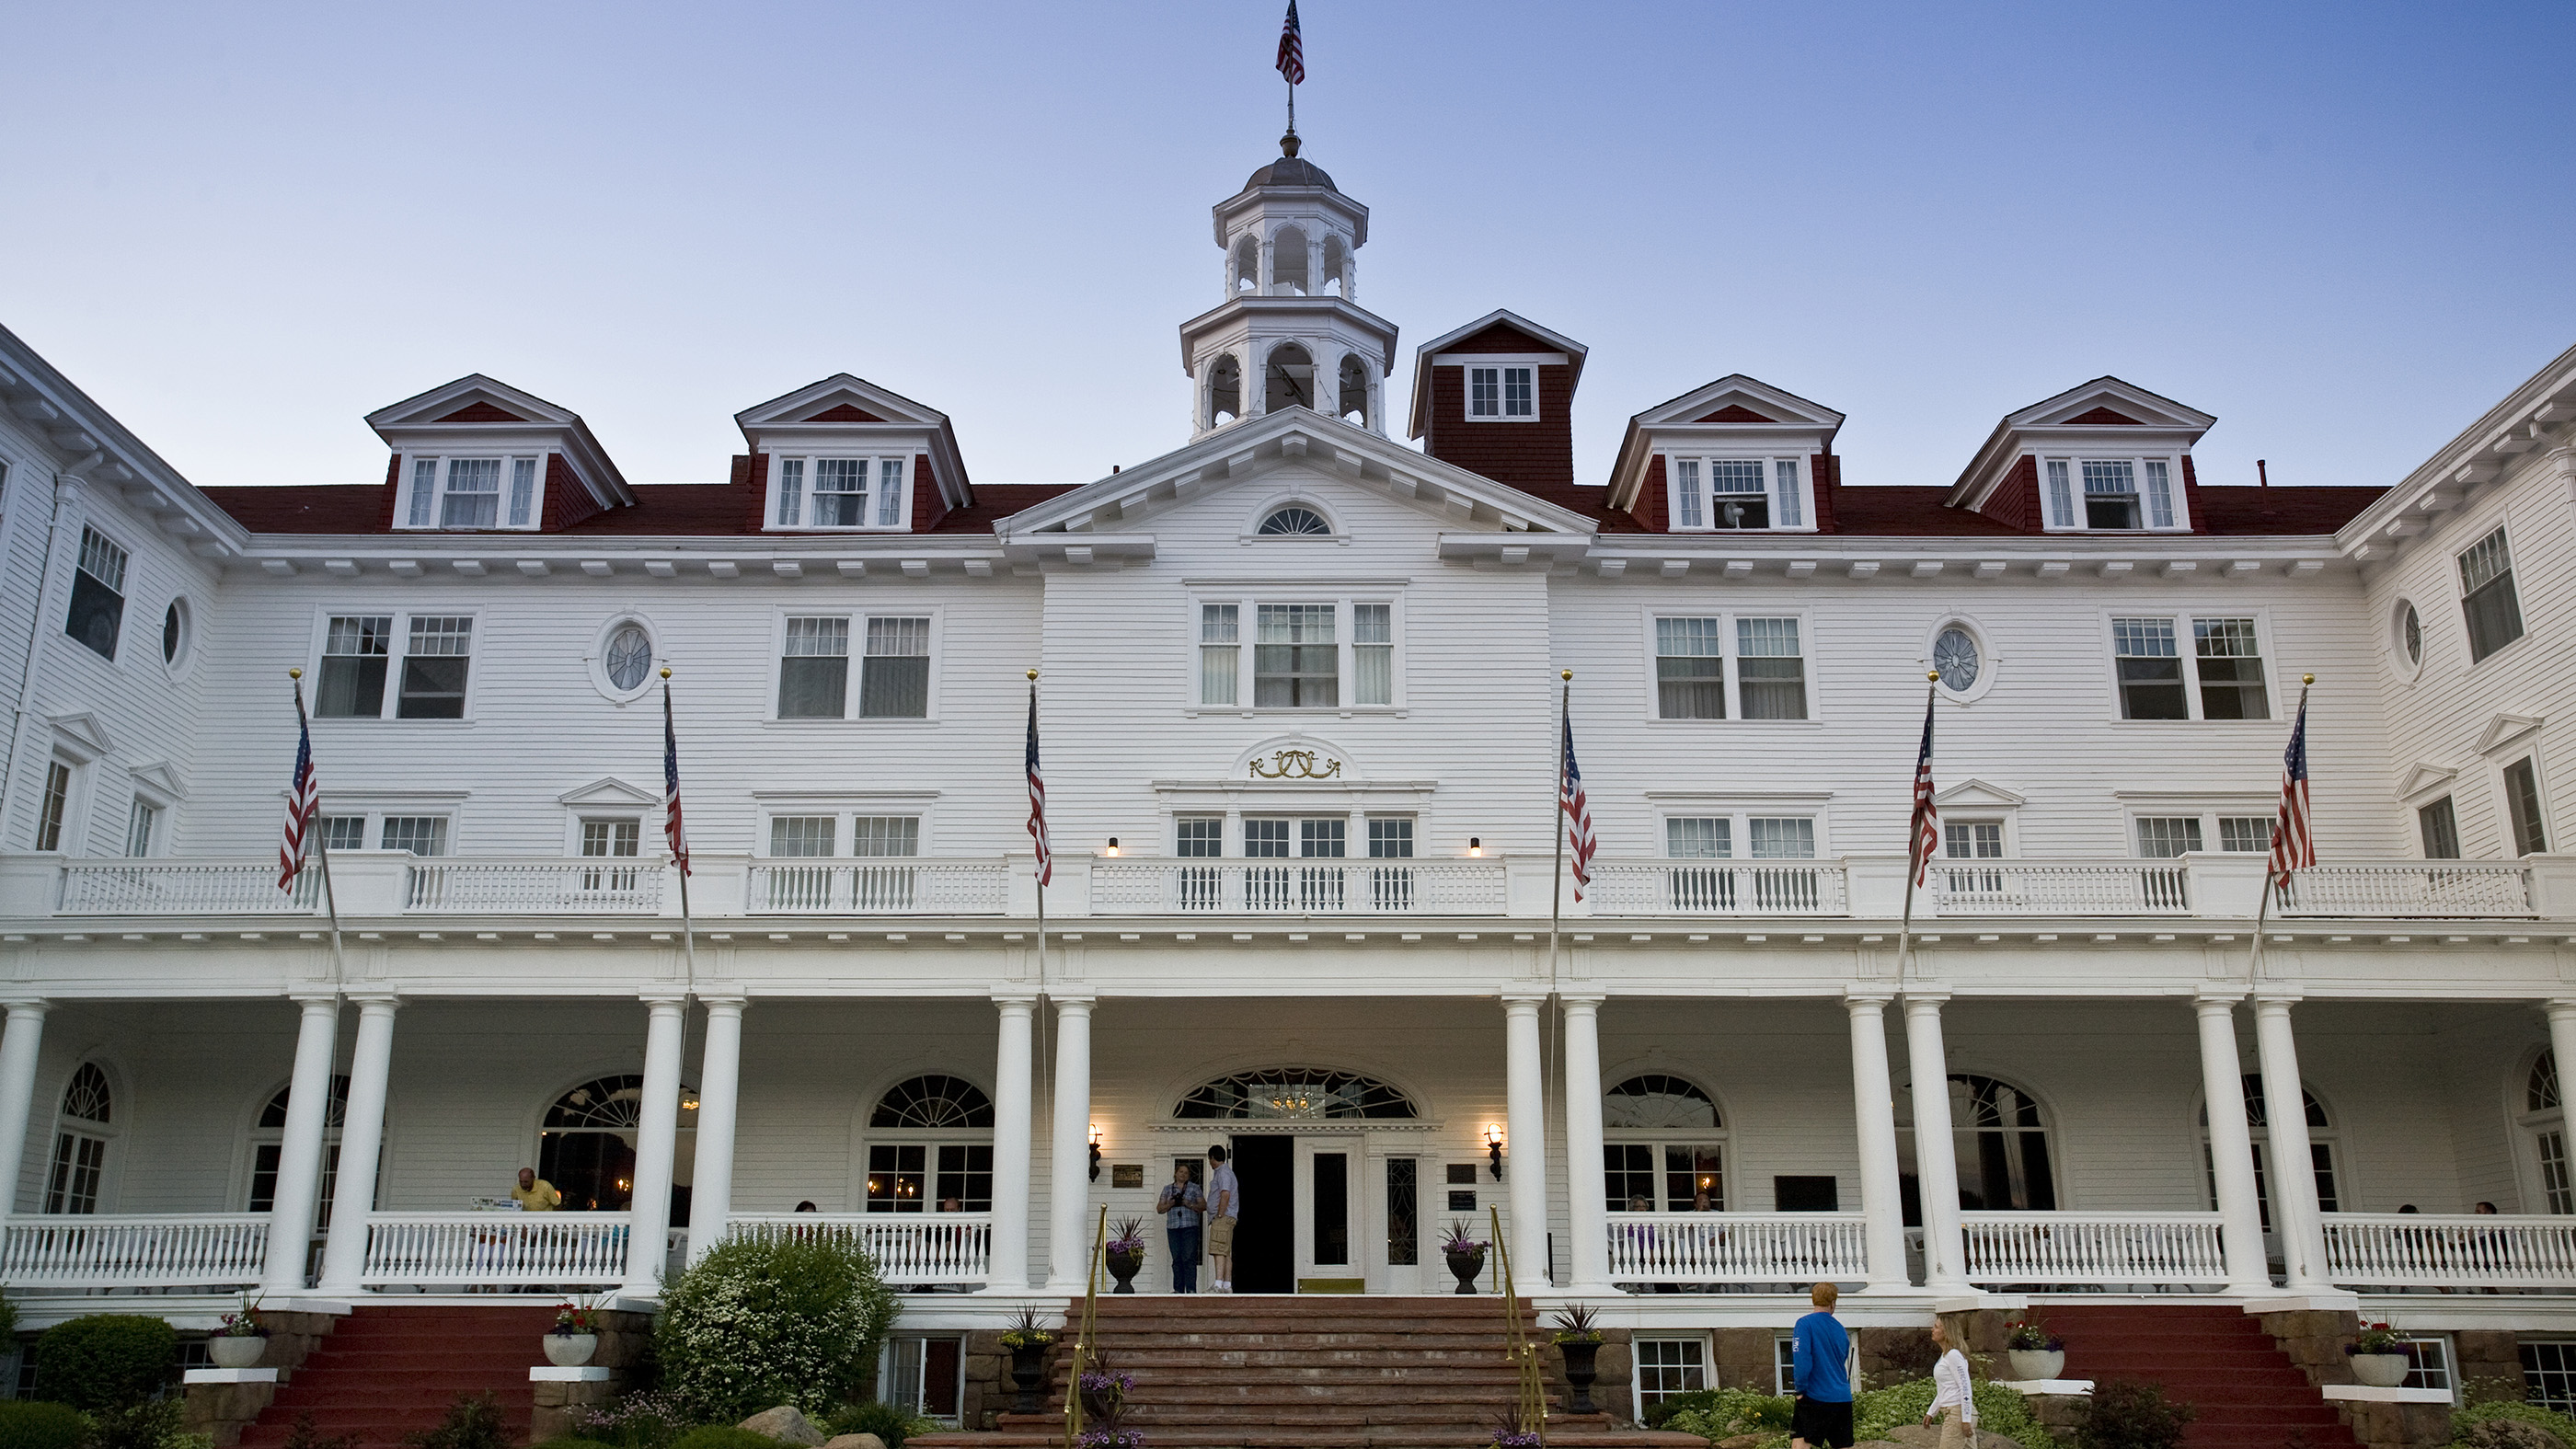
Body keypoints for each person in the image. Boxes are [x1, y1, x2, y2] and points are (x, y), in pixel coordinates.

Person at [1788, 1282, 1854, 1449]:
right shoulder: (1840, 1329)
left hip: (1815, 1396)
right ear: (1833, 1303)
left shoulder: (1804, 1324)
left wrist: (1800, 1390)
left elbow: (1802, 1360)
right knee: (1842, 1445)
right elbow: (1842, 1357)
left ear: (1813, 1300)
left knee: (1801, 1442)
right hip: (1842, 1396)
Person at [1925, 1317, 1977, 1449]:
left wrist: (1965, 1420)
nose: (1932, 1330)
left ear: (1947, 1332)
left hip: (1957, 1414)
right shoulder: (1946, 1356)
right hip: (1954, 1412)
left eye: (1936, 1327)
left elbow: (1965, 1388)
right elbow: (1945, 1389)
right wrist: (1932, 1412)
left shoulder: (1954, 1355)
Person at [1157, 1161, 1206, 1294]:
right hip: (1173, 1227)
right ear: (1175, 1173)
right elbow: (1159, 1209)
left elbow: (1203, 1206)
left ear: (1189, 1175)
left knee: (1189, 1258)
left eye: (1186, 1173)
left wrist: (1188, 1203)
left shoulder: (1194, 1188)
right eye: (1181, 1172)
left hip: (1190, 1226)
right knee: (1177, 1258)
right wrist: (1171, 1203)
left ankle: (1191, 1289)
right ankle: (1178, 1289)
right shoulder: (1168, 1189)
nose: (1183, 1175)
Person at [1206, 1144, 1240, 1294]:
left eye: (1210, 1159)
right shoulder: (1225, 1172)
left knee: (1218, 1249)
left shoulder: (1223, 1173)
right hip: (1227, 1217)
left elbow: (1225, 1194)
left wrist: (1219, 1214)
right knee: (1225, 1251)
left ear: (1213, 1158)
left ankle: (1218, 1285)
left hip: (1223, 1218)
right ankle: (1227, 1285)